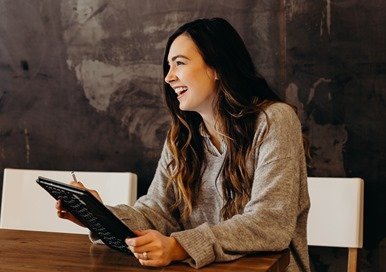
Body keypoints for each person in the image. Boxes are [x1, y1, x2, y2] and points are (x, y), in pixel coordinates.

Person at [56, 18, 311, 271]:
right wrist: (99, 216)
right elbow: (156, 213)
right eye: (168, 66)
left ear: (217, 68)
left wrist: (179, 247)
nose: (168, 77)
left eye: (179, 63)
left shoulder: (274, 120)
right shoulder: (183, 137)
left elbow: (270, 223)